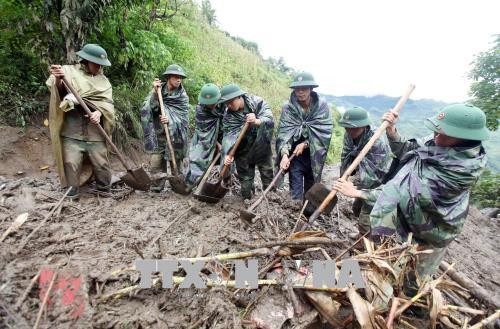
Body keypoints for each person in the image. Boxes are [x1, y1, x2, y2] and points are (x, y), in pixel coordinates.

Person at [333, 103, 489, 281]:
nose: (435, 137)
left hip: (426, 235)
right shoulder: (440, 144)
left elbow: (400, 195)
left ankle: (386, 298)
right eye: (435, 132)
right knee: (384, 267)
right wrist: (391, 131)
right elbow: (407, 150)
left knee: (409, 283)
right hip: (402, 224)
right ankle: (353, 280)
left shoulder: (457, 173)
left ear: (464, 139)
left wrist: (359, 193)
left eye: (442, 134)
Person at [46, 43, 115, 200]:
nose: (98, 67)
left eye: (100, 65)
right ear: (85, 60)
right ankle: (72, 194)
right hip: (72, 130)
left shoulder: (104, 82)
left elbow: (108, 105)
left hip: (95, 131)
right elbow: (59, 92)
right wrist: (58, 79)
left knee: (101, 163)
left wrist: (98, 112)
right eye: (95, 63)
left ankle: (104, 190)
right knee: (71, 163)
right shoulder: (68, 72)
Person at [276, 72, 332, 203]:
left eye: (304, 89)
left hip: (314, 157)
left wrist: (306, 144)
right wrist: (284, 155)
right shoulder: (288, 108)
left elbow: (324, 133)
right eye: (297, 89)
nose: (300, 92)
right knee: (295, 194)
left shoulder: (321, 106)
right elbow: (284, 133)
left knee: (311, 192)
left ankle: (308, 216)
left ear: (311, 89)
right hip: (295, 157)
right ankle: (295, 214)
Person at [338, 106, 392, 235]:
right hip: (361, 177)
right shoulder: (349, 134)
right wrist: (344, 177)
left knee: (366, 216)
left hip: (378, 182)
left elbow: (375, 175)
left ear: (364, 126)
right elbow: (346, 155)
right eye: (347, 127)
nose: (349, 130)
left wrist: (353, 182)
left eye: (354, 128)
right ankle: (364, 236)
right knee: (356, 209)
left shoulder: (377, 142)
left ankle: (369, 243)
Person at [140, 64, 190, 192]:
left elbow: (184, 120)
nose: (179, 79)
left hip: (175, 136)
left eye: (180, 77)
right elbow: (149, 108)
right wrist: (155, 94)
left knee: (176, 164)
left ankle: (177, 186)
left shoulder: (182, 96)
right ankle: (157, 187)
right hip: (158, 133)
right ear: (168, 77)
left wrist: (171, 120)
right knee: (156, 162)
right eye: (176, 77)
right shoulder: (158, 90)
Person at [220, 84, 274, 200]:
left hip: (261, 146)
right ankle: (248, 200)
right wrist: (227, 154)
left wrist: (257, 121)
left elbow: (270, 120)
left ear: (240, 97)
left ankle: (272, 202)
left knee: (267, 176)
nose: (229, 105)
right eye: (226, 103)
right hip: (243, 151)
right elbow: (228, 136)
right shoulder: (228, 115)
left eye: (231, 101)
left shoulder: (257, 102)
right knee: (245, 185)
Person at [184, 83, 225, 192]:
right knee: (197, 158)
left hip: (224, 134)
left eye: (212, 102)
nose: (210, 105)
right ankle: (192, 184)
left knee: (226, 159)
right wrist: (216, 144)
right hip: (205, 137)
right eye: (207, 103)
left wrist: (224, 143)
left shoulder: (226, 104)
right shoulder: (200, 109)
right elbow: (204, 132)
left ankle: (223, 183)